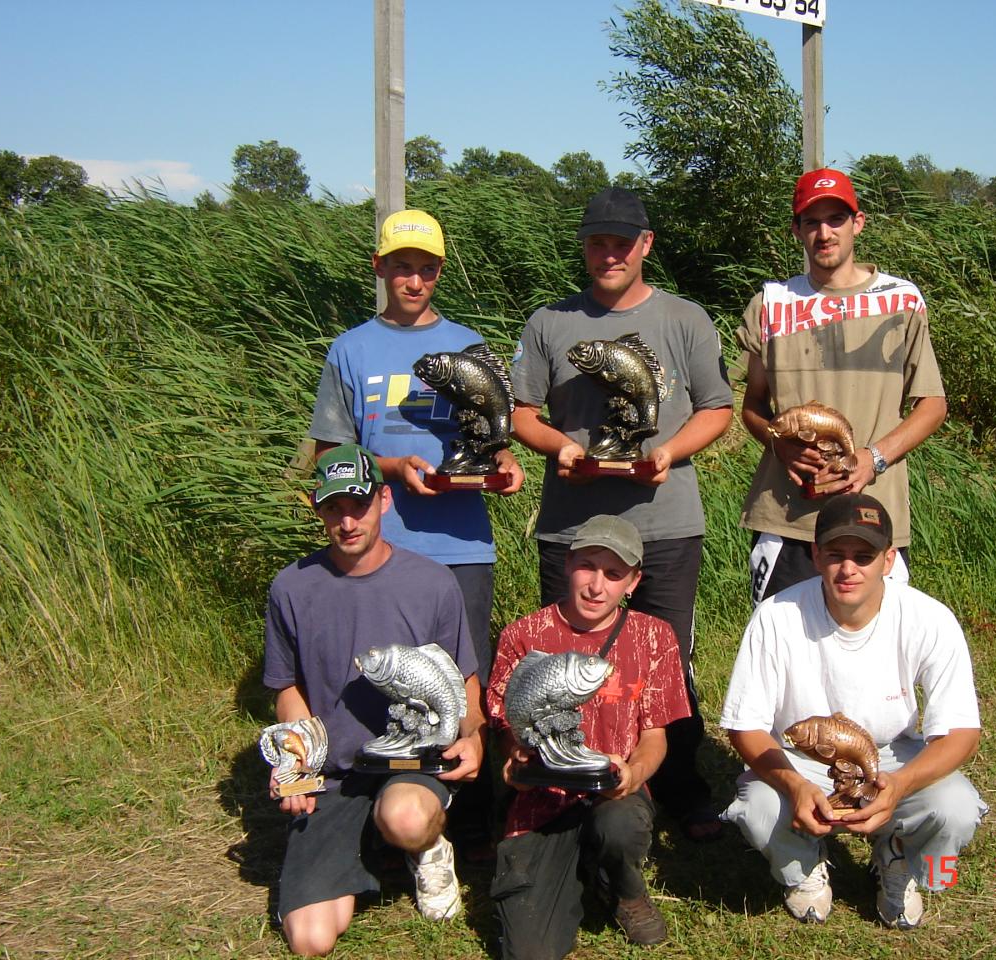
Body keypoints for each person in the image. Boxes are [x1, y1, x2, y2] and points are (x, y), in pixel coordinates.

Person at [510, 187, 732, 841]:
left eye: (621, 243)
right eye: (597, 243)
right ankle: (568, 781)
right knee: (568, 655)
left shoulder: (686, 320)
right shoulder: (549, 323)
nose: (609, 255)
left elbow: (716, 407)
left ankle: (680, 787)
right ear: (584, 247)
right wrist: (562, 447)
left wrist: (666, 452)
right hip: (572, 524)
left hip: (664, 519)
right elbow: (520, 413)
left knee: (668, 662)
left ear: (646, 246)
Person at [309, 209, 522, 860]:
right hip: (380, 548)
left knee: (467, 683)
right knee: (385, 684)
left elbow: (499, 434)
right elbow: (327, 454)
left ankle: (473, 822)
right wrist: (393, 470)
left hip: (462, 545)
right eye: (401, 266)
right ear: (380, 268)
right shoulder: (351, 349)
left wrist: (506, 468)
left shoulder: (469, 342)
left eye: (426, 268)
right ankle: (385, 812)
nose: (414, 279)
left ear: (439, 272)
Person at [720, 493, 986, 929]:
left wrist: (898, 785)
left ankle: (899, 859)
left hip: (893, 756)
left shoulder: (929, 617)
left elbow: (961, 732)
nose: (848, 570)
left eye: (864, 556)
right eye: (835, 554)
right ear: (814, 554)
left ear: (888, 559)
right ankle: (802, 867)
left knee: (956, 805)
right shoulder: (775, 615)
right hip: (802, 760)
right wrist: (793, 786)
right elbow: (745, 727)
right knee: (757, 806)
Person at [262, 444, 486, 956]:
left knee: (405, 816)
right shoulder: (291, 587)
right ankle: (361, 845)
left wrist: (474, 736)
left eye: (358, 505)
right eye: (334, 508)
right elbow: (287, 689)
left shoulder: (433, 582)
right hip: (335, 772)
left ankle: (425, 848)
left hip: (412, 764)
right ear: (317, 509)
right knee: (310, 940)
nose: (347, 522)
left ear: (384, 501)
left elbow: (463, 681)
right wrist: (295, 762)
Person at [738, 168, 948, 603]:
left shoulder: (901, 299)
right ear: (796, 229)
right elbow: (752, 407)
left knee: (875, 653)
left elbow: (932, 405)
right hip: (786, 519)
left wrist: (874, 459)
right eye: (811, 222)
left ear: (859, 223)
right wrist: (779, 445)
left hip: (873, 516)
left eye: (836, 218)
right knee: (781, 653)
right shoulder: (770, 304)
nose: (824, 232)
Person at [486, 515, 691, 958]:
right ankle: (568, 874)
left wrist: (633, 775)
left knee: (619, 825)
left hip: (612, 792)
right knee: (528, 952)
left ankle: (624, 887)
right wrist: (515, 761)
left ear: (633, 583)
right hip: (542, 798)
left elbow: (655, 735)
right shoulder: (522, 635)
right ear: (567, 565)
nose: (597, 586)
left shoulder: (656, 637)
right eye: (588, 567)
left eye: (614, 574)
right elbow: (507, 725)